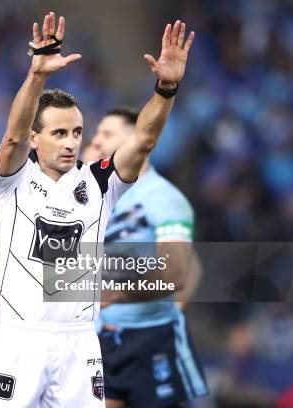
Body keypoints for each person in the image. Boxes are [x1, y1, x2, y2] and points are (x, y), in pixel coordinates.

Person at [0, 11, 194, 407]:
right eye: (59, 133)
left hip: (79, 341)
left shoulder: (97, 182)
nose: (71, 142)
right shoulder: (12, 179)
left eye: (77, 132)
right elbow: (11, 138)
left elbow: (143, 141)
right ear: (36, 137)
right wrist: (38, 76)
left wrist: (165, 89)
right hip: (20, 338)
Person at [84, 108, 208, 407]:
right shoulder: (93, 195)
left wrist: (119, 295)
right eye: (98, 133)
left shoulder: (164, 199)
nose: (96, 141)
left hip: (151, 341)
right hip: (101, 340)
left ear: (138, 141)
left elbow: (180, 272)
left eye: (107, 134)